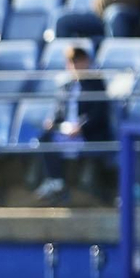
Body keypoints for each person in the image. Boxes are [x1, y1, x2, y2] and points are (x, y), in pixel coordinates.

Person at [36, 45, 114, 203]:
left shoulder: (96, 84)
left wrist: (81, 127)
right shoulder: (67, 86)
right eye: (71, 62)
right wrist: (53, 122)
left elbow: (98, 113)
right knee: (45, 138)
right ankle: (56, 182)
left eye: (77, 61)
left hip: (87, 133)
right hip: (66, 131)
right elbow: (59, 111)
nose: (74, 66)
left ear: (86, 62)